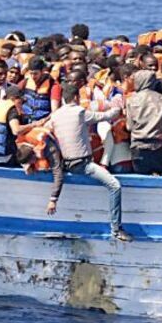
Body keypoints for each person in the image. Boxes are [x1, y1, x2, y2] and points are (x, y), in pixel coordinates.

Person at [50, 83, 131, 241]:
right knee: (115, 186)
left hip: (65, 163)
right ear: (75, 98)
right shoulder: (79, 112)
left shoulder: (55, 115)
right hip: (83, 165)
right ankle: (115, 229)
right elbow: (106, 116)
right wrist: (118, 108)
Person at [125, 68, 162, 175]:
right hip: (158, 146)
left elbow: (129, 127)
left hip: (138, 146)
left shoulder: (131, 100)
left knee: (141, 180)